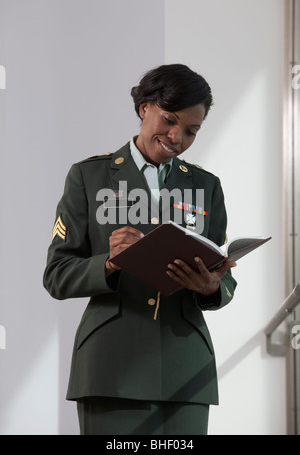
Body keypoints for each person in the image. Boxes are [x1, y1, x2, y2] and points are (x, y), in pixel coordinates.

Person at [43, 63, 237, 435]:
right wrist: (110, 264)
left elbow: (223, 272)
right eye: (168, 120)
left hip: (186, 369)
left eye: (191, 131)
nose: (177, 137)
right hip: (110, 367)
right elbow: (57, 276)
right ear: (144, 107)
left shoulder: (206, 185)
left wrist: (212, 287)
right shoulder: (89, 177)